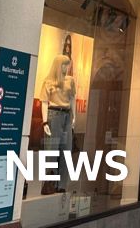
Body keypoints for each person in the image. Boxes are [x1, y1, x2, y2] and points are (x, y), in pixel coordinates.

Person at [42, 54, 76, 194]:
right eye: (64, 64)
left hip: (67, 115)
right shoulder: (49, 81)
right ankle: (50, 182)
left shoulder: (70, 80)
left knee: (66, 150)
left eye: (68, 65)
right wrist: (44, 121)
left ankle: (62, 184)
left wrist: (74, 117)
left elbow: (72, 98)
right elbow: (44, 101)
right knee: (52, 149)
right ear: (57, 65)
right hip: (54, 114)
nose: (66, 68)